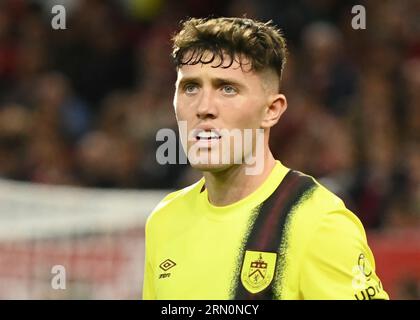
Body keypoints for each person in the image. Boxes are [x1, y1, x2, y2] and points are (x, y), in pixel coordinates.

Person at [142, 16, 389, 300]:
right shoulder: (165, 219)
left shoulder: (317, 221)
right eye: (191, 87)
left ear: (271, 110)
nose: (203, 107)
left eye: (228, 88)